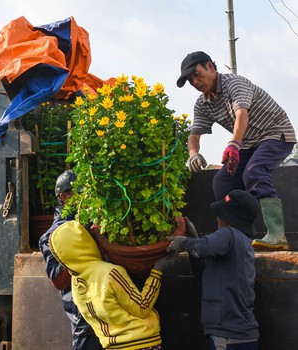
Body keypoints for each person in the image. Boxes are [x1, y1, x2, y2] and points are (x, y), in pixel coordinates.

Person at [176, 51, 296, 250]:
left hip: (276, 133)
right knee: (222, 181)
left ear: (211, 67)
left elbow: (241, 114)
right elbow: (194, 135)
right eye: (190, 80)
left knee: (255, 171)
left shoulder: (235, 84)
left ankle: (277, 234)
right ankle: (229, 237)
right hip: (248, 143)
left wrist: (233, 144)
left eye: (197, 74)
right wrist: (193, 154)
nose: (195, 82)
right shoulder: (203, 103)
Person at [47, 212, 176, 349]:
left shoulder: (76, 283)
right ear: (84, 242)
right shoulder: (110, 272)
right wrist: (157, 271)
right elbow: (142, 307)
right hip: (142, 343)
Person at [167, 189, 260, 350]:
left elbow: (204, 248)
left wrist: (184, 242)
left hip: (228, 337)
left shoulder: (229, 234)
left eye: (221, 214)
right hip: (239, 336)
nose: (217, 218)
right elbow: (204, 276)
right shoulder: (242, 243)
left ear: (230, 220)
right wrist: (194, 238)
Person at [39, 170, 103, 350]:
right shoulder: (53, 235)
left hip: (111, 312)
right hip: (85, 321)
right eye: (81, 195)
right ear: (65, 197)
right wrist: (79, 254)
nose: (87, 200)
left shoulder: (95, 224)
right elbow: (58, 280)